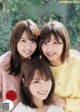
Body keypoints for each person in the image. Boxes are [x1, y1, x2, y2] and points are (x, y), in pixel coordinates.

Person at [39, 21, 80, 112]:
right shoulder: (39, 67)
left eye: (55, 43)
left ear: (64, 43)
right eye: (45, 43)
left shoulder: (77, 65)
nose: (49, 49)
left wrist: (65, 102)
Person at [0, 19, 40, 111]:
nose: (28, 47)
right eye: (23, 41)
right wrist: (11, 108)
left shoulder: (37, 63)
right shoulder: (3, 64)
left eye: (33, 41)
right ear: (15, 41)